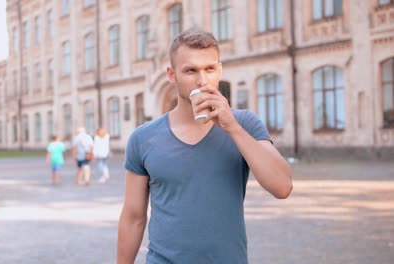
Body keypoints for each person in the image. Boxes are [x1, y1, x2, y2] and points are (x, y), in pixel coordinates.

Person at [117, 28, 293, 263]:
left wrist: (232, 128)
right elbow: (133, 217)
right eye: (190, 70)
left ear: (219, 70)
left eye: (209, 69)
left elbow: (282, 187)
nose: (202, 80)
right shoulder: (143, 138)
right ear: (172, 75)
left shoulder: (244, 124)